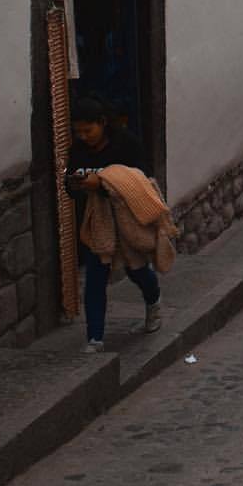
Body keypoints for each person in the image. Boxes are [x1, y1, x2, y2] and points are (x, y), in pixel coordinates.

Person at [65, 96, 161, 354]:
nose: (84, 136)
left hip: (128, 218)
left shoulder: (127, 145)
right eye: (79, 131)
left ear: (103, 123)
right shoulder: (78, 150)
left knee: (137, 270)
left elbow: (139, 180)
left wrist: (104, 184)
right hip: (98, 221)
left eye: (88, 130)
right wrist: (76, 184)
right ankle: (94, 337)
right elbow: (69, 185)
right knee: (96, 277)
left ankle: (153, 300)